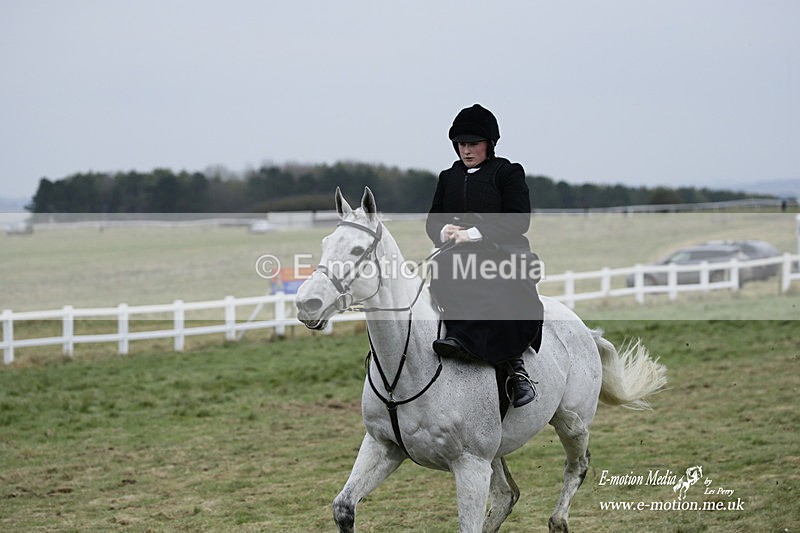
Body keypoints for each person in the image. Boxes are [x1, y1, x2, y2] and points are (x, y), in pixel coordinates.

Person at [425, 103, 544, 408]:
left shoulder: (508, 172)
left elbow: (519, 220)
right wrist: (445, 232)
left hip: (502, 251)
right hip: (455, 254)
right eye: (462, 144)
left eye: (473, 144)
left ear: (489, 144)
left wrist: (474, 234)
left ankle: (515, 368)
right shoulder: (448, 177)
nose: (466, 150)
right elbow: (433, 221)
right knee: (441, 271)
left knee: (489, 279)